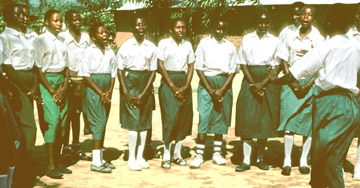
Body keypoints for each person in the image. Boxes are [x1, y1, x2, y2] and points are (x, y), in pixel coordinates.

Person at [268, 4, 359, 187]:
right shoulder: (355, 47)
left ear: (329, 22)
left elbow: (296, 73)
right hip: (350, 106)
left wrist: (274, 80)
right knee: (331, 157)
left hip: (329, 105)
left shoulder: (326, 47)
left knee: (326, 159)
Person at [276, 5, 324, 176]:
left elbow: (320, 64)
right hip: (291, 82)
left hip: (310, 83)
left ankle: (304, 160)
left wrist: (308, 84)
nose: (305, 17)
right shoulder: (289, 35)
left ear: (314, 19)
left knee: (307, 124)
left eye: (309, 15)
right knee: (289, 122)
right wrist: (293, 83)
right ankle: (287, 160)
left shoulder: (318, 38)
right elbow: (283, 60)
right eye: (303, 14)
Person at [0, 3, 43, 186]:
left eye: (26, 14)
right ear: (7, 16)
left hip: (28, 81)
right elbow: (8, 67)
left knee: (24, 129)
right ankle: (21, 174)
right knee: (27, 129)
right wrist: (25, 89)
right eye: (19, 14)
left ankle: (23, 171)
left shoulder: (27, 37)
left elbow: (32, 64)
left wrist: (33, 86)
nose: (24, 17)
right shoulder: (5, 38)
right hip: (16, 84)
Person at [234, 9, 281, 172]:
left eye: (266, 22)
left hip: (268, 80)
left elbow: (278, 65)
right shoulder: (247, 38)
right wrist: (253, 83)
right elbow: (242, 63)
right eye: (260, 22)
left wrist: (263, 84)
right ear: (256, 23)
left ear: (270, 23)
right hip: (250, 79)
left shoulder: (275, 41)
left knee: (264, 120)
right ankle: (246, 160)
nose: (263, 25)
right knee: (246, 118)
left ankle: (260, 157)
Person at [189, 18, 236, 169]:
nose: (221, 32)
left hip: (224, 83)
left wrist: (222, 90)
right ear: (213, 28)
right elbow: (199, 67)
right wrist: (209, 89)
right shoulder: (204, 43)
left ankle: (217, 153)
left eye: (223, 29)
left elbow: (233, 70)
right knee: (204, 116)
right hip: (206, 83)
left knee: (220, 117)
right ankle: (199, 155)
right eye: (218, 28)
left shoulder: (230, 46)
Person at [33, 9, 71, 179]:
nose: (59, 24)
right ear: (46, 22)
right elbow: (38, 68)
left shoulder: (63, 42)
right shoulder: (40, 41)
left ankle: (58, 161)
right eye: (55, 21)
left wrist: (64, 87)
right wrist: (51, 89)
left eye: (61, 21)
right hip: (47, 84)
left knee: (63, 123)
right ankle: (49, 165)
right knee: (53, 122)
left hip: (61, 83)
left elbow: (67, 68)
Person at [117, 17, 157, 171]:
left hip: (145, 83)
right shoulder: (126, 46)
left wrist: (145, 92)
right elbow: (120, 70)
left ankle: (140, 156)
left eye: (143, 24)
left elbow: (153, 71)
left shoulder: (152, 47)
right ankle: (131, 158)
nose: (141, 27)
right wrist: (126, 91)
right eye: (137, 24)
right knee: (133, 123)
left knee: (144, 123)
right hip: (130, 82)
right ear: (132, 28)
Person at [78, 23, 116, 173]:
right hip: (95, 89)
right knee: (98, 123)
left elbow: (113, 73)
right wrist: (100, 92)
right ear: (93, 37)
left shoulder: (110, 51)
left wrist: (110, 91)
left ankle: (100, 158)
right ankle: (95, 162)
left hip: (107, 90)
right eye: (101, 33)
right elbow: (86, 75)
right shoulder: (89, 51)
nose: (105, 35)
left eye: (106, 32)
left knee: (103, 122)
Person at [157, 18, 194, 169]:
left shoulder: (188, 45)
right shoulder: (163, 44)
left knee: (182, 119)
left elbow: (191, 65)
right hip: (168, 81)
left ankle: (177, 154)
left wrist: (186, 86)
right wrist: (172, 86)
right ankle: (166, 155)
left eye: (183, 28)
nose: (181, 30)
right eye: (178, 28)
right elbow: (160, 65)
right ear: (171, 29)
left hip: (183, 81)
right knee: (170, 118)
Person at [58, 9, 91, 164]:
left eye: (79, 19)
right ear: (68, 22)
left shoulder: (85, 37)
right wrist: (68, 72)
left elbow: (89, 56)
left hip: (82, 80)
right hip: (68, 81)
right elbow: (60, 57)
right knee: (67, 114)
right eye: (75, 20)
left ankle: (76, 147)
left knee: (77, 113)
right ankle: (65, 149)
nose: (78, 22)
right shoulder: (62, 37)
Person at [346, 3, 360, 181]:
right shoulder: (347, 36)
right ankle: (338, 162)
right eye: (359, 13)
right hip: (348, 86)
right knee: (346, 128)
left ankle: (358, 166)